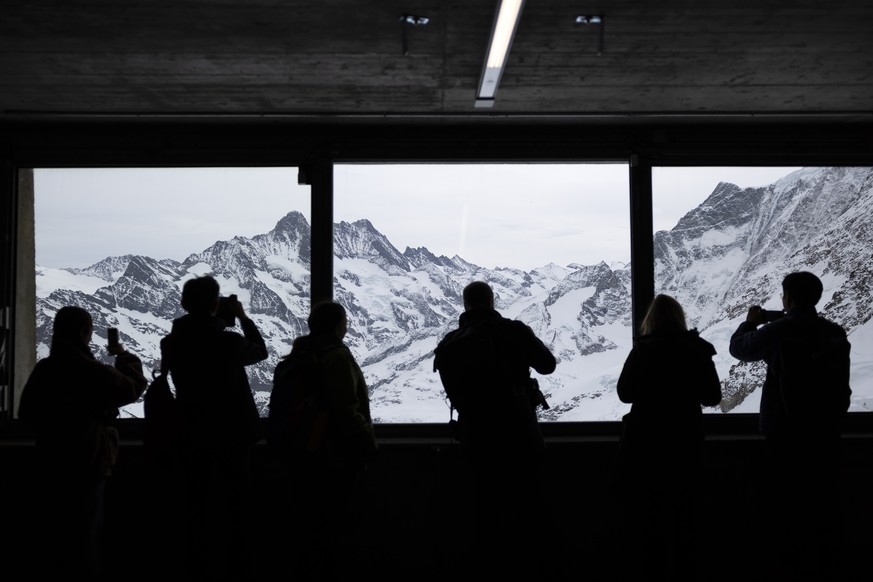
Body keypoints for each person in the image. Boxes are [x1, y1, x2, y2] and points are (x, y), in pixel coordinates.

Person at [729, 271, 851, 577]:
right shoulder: (834, 333)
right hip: (826, 434)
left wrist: (751, 322)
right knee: (823, 508)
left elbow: (739, 348)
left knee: (785, 510)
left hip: (783, 434)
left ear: (789, 298)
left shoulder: (781, 330)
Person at [434, 280, 556, 577]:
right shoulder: (513, 331)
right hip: (520, 438)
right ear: (493, 301)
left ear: (465, 305)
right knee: (529, 514)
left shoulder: (451, 343)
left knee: (484, 516)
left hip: (476, 441)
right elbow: (547, 365)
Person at [18, 305, 147, 578]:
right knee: (86, 535)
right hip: (89, 461)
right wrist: (123, 356)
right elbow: (132, 387)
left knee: (54, 534)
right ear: (82, 332)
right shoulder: (90, 370)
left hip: (50, 460)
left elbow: (27, 413)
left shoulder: (46, 368)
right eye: (88, 331)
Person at [159, 274, 268, 581]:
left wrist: (216, 319)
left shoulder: (171, 342)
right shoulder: (228, 343)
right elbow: (260, 350)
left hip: (190, 434)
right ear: (216, 304)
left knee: (195, 509)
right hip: (231, 438)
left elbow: (189, 337)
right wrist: (241, 318)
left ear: (184, 304)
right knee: (235, 510)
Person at [614, 294, 722, 581]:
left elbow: (625, 394)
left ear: (649, 320)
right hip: (685, 442)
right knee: (684, 517)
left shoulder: (643, 351)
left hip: (643, 443)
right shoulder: (697, 350)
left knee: (646, 518)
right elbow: (713, 397)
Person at [269, 300, 377, 580]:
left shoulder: (296, 356)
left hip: (300, 453)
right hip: (335, 455)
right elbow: (346, 408)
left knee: (307, 525)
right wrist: (367, 443)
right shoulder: (336, 357)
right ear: (339, 325)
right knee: (337, 525)